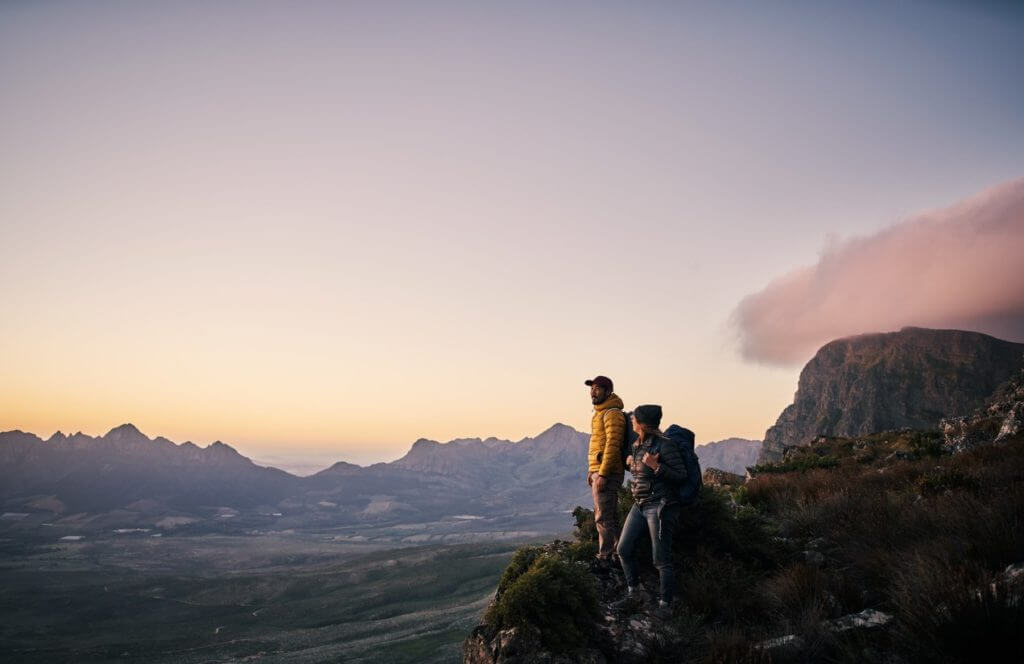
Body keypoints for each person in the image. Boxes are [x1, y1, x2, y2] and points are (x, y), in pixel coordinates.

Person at [613, 404, 686, 617]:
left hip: (660, 506)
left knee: (661, 560)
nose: (632, 421)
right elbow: (639, 473)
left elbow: (680, 475)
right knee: (623, 549)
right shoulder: (637, 444)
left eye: (635, 419)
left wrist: (657, 467)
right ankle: (634, 594)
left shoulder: (665, 446)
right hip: (640, 505)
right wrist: (630, 463)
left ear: (643, 423)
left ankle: (666, 606)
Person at [585, 375, 627, 565]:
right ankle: (618, 552)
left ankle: (606, 557)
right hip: (600, 471)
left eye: (597, 388)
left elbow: (612, 445)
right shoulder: (599, 414)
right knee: (606, 514)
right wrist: (591, 470)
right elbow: (599, 446)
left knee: (603, 516)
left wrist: (602, 473)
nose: (593, 391)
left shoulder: (612, 413)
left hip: (608, 473)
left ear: (607, 392)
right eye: (592, 388)